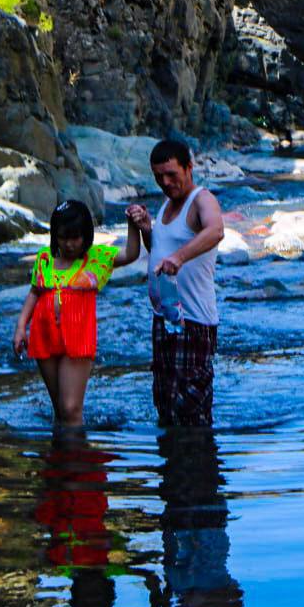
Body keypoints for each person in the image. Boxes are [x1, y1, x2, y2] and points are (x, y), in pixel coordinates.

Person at [13, 200, 143, 424]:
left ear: (86, 236)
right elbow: (34, 292)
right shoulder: (45, 258)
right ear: (55, 236)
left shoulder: (95, 258)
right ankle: (60, 454)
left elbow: (131, 254)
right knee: (60, 410)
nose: (70, 244)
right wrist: (21, 327)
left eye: (76, 237)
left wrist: (132, 225)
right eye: (64, 237)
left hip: (78, 338)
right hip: (44, 335)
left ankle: (76, 456)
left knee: (71, 408)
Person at [126, 140, 225, 425]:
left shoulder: (201, 199)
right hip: (164, 318)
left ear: (189, 167)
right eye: (159, 176)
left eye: (171, 174)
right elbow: (158, 250)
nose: (165, 182)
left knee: (190, 407)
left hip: (193, 321)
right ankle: (172, 463)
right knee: (164, 401)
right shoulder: (166, 205)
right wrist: (146, 228)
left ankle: (199, 463)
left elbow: (216, 230)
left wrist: (179, 257)